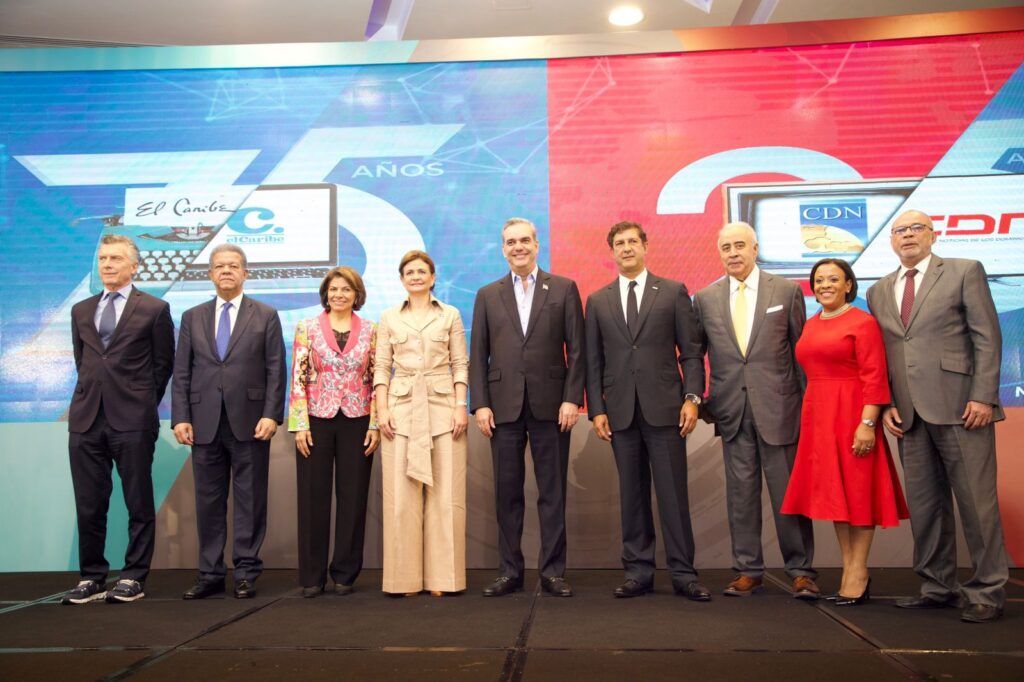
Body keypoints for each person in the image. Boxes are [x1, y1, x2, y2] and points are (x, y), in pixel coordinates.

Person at [866, 209, 1009, 623]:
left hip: (963, 408)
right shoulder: (878, 290)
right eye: (900, 230)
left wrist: (983, 396)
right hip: (908, 415)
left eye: (916, 228)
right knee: (926, 507)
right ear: (891, 240)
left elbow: (987, 336)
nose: (908, 235)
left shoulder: (964, 271)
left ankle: (986, 591)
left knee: (977, 506)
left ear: (933, 234)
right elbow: (885, 354)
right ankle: (937, 586)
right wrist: (888, 402)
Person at [584, 221, 709, 601]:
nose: (626, 248)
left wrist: (692, 397)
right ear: (612, 252)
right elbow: (593, 361)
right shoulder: (598, 300)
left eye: (632, 242)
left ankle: (684, 574)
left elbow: (691, 352)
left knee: (673, 495)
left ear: (645, 246)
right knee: (632, 496)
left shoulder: (672, 292)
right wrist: (596, 409)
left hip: (666, 409)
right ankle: (638, 572)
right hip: (620, 412)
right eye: (619, 244)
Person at [693, 222, 818, 600]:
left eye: (739, 246)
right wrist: (699, 399)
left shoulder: (786, 291)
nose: (733, 253)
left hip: (781, 409)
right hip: (731, 410)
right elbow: (696, 355)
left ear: (755, 248)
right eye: (726, 247)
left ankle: (801, 571)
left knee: (788, 495)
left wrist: (809, 406)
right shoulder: (705, 298)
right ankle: (747, 570)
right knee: (741, 497)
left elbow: (801, 352)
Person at [781, 258, 908, 606]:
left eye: (833, 279)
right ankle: (849, 568)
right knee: (837, 497)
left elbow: (874, 376)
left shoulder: (863, 323)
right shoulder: (810, 324)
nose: (825, 285)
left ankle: (858, 572)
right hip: (819, 418)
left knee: (859, 493)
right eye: (819, 280)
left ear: (849, 284)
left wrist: (868, 424)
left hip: (853, 415)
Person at [470, 218, 585, 598]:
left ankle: (552, 572)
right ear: (503, 249)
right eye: (510, 242)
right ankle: (509, 571)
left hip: (552, 406)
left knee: (552, 492)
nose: (518, 247)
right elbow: (478, 354)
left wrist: (572, 398)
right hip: (502, 408)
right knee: (507, 494)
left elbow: (578, 350)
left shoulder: (564, 288)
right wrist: (480, 404)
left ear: (537, 245)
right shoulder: (488, 294)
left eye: (524, 240)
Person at [63, 235, 175, 605]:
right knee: (89, 503)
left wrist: (140, 403)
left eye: (115, 258)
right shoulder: (81, 309)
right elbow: (84, 361)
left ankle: (133, 577)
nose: (107, 264)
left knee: (138, 502)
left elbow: (162, 366)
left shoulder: (155, 309)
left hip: (132, 420)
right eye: (103, 258)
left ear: (134, 266)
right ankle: (92, 577)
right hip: (86, 420)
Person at [172, 244, 286, 600]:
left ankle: (246, 572)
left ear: (245, 273)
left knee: (250, 501)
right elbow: (182, 371)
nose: (226, 271)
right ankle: (210, 574)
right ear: (210, 274)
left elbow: (275, 368)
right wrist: (180, 417)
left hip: (251, 422)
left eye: (233, 266)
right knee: (208, 502)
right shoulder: (192, 317)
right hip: (203, 422)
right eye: (219, 266)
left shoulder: (265, 315)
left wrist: (271, 413)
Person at [374, 250, 469, 596]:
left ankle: (445, 580)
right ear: (402, 280)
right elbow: (381, 367)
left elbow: (460, 363)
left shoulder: (450, 314)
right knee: (401, 499)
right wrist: (382, 410)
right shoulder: (388, 317)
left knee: (447, 497)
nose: (415, 276)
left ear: (432, 278)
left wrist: (461, 406)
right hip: (399, 411)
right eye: (409, 272)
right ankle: (403, 580)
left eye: (421, 271)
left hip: (443, 409)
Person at [288, 267, 380, 598]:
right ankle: (312, 577)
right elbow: (298, 376)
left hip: (358, 418)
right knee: (313, 497)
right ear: (326, 294)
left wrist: (375, 423)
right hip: (316, 418)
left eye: (346, 289)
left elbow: (377, 379)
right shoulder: (307, 327)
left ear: (357, 295)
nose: (339, 294)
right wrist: (299, 424)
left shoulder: (372, 330)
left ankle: (345, 573)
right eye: (333, 289)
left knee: (353, 497)